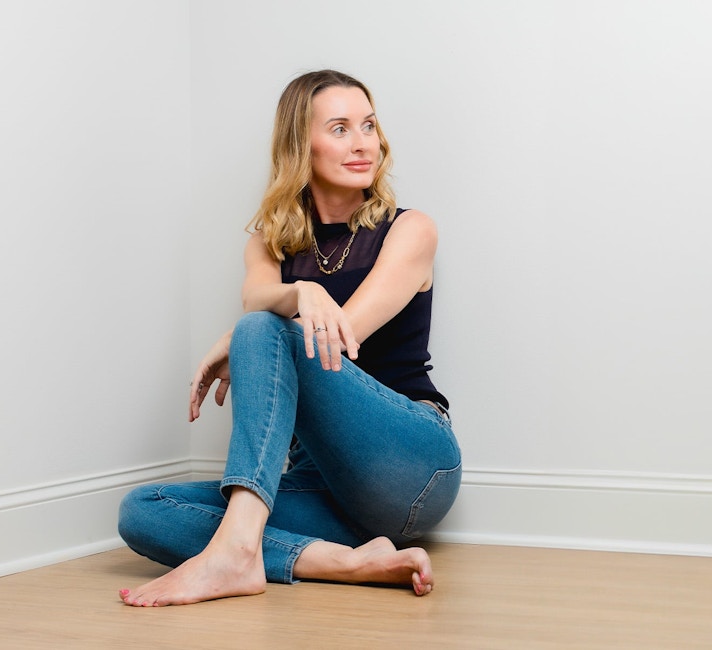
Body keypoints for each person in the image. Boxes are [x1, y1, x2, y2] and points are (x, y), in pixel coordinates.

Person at [117, 69, 462, 607]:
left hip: (412, 464)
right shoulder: (269, 244)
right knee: (144, 510)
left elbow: (339, 337)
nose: (362, 143)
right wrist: (295, 292)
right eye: (341, 128)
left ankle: (236, 553)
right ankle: (343, 562)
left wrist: (243, 334)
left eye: (368, 126)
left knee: (261, 329)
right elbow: (259, 297)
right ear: (302, 144)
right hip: (324, 488)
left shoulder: (410, 229)